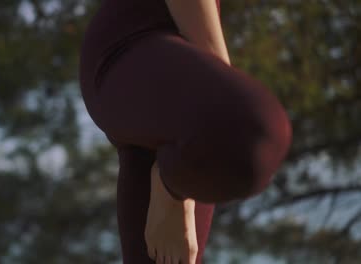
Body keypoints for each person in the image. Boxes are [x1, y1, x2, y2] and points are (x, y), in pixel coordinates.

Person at [78, 0, 293, 263]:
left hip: (180, 78)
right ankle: (171, 180)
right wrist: (177, 189)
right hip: (131, 42)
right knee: (256, 133)